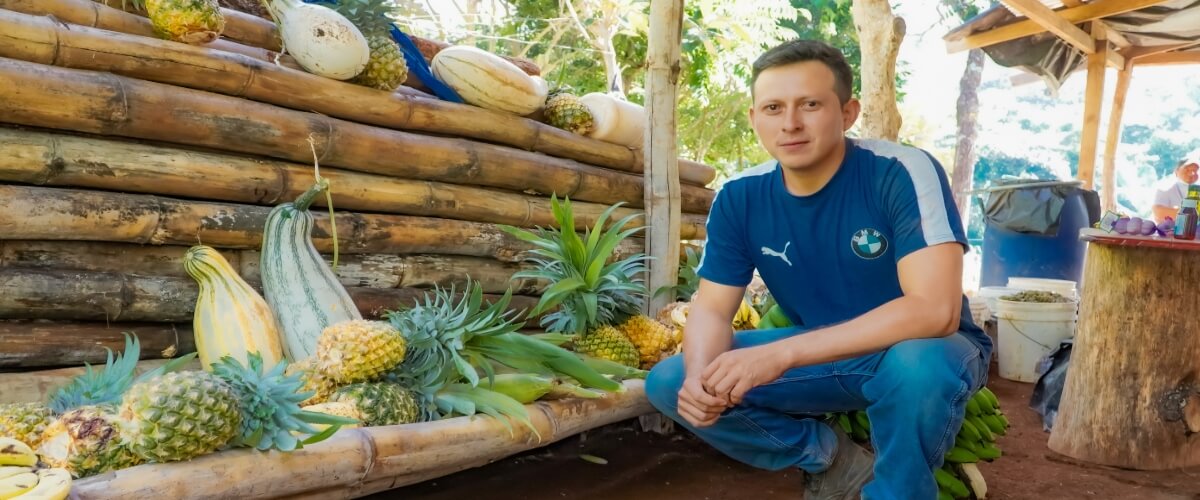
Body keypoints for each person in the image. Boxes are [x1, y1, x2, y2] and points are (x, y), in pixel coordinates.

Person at [644, 39, 993, 500]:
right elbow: (710, 311)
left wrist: (782, 354)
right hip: (826, 355)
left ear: (848, 113)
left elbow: (935, 311)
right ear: (754, 119)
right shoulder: (740, 196)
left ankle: (897, 490)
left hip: (925, 348)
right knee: (672, 379)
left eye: (810, 104)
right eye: (773, 107)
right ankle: (832, 461)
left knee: (918, 363)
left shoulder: (901, 170)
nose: (790, 123)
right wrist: (699, 379)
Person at [1151, 154, 1200, 224]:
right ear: (1176, 171)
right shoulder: (1165, 187)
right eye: (1187, 169)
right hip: (1171, 231)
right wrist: (1192, 215)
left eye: (1195, 170)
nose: (1191, 173)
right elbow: (1158, 212)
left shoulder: (1197, 188)